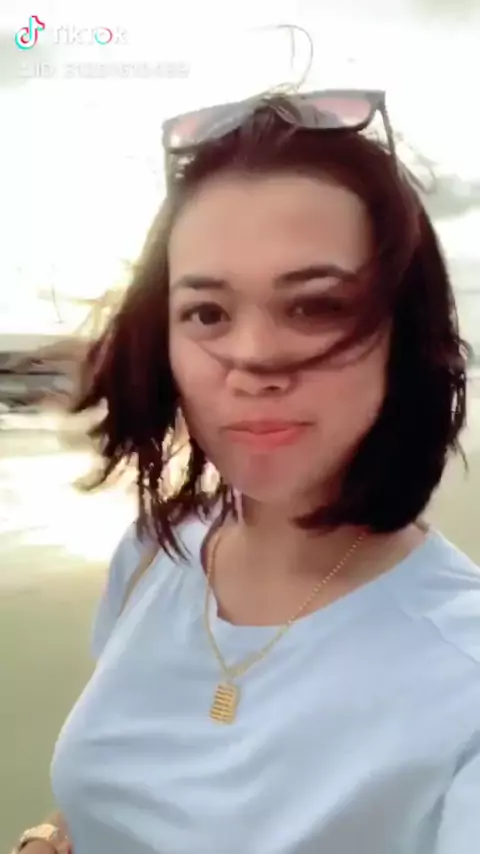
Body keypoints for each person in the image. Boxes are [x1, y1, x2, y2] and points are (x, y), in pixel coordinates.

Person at [12, 90, 480, 854]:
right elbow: (112, 793)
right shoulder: (156, 552)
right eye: (208, 313)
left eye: (316, 306)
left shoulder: (464, 676)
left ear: (406, 333)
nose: (255, 358)